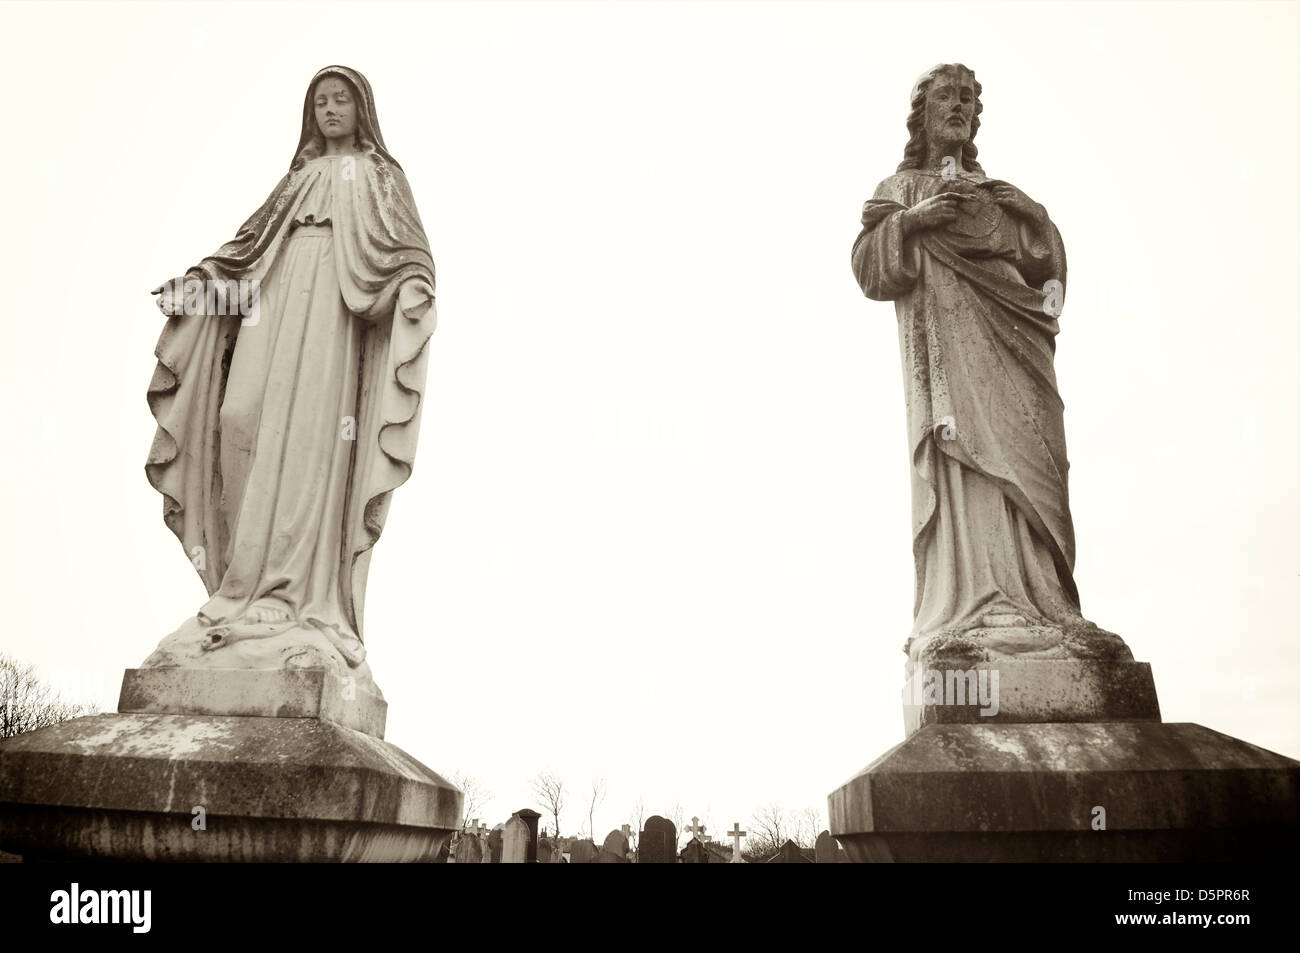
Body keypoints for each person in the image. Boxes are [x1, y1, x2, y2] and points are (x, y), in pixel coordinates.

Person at [145, 66, 437, 692]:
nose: (331, 109)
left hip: (333, 318)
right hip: (270, 312)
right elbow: (245, 254)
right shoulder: (296, 180)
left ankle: (296, 595)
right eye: (321, 101)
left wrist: (412, 287)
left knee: (308, 442)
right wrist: (200, 288)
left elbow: (407, 254)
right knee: (237, 418)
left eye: (342, 100)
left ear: (363, 111)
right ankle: (238, 586)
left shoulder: (381, 177)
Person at [851, 64, 1127, 665]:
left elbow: (1043, 269)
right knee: (970, 460)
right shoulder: (900, 189)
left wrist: (1036, 212)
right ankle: (975, 604)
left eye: (969, 98)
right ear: (922, 114)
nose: (959, 106)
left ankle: (1050, 605)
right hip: (949, 346)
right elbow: (872, 268)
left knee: (1036, 460)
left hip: (1017, 340)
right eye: (947, 96)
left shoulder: (1002, 195)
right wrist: (913, 222)